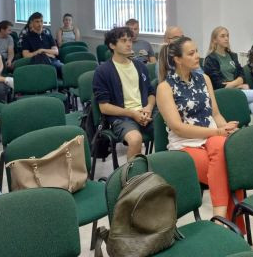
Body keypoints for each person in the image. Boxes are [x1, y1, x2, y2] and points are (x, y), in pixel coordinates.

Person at [156, 36, 243, 224]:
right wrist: (218, 132)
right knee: (230, 171)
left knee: (227, 153)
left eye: (196, 51)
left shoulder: (204, 79)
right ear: (177, 59)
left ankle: (220, 222)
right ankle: (228, 226)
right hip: (185, 144)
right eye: (191, 53)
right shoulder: (165, 87)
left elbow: (216, 114)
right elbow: (178, 128)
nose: (197, 56)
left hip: (211, 137)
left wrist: (226, 129)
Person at [92, 27, 155, 161]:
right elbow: (104, 107)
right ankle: (132, 174)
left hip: (145, 112)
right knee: (135, 139)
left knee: (170, 130)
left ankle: (164, 168)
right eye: (123, 40)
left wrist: (149, 107)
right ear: (112, 45)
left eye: (130, 40)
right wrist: (132, 113)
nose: (129, 44)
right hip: (122, 117)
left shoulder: (140, 66)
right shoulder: (103, 71)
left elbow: (151, 92)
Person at [204, 26, 253, 124]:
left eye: (227, 36)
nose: (226, 38)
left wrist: (236, 82)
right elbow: (219, 85)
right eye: (222, 36)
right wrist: (238, 84)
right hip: (223, 94)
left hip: (236, 90)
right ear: (214, 40)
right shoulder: (210, 59)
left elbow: (241, 74)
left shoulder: (232, 55)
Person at [20, 12, 63, 77]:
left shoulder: (48, 36)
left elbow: (56, 52)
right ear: (32, 23)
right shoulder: (27, 38)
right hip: (38, 62)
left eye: (41, 21)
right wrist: (39, 52)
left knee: (66, 69)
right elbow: (26, 55)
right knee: (48, 70)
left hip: (53, 61)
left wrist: (42, 50)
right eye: (37, 22)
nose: (40, 24)